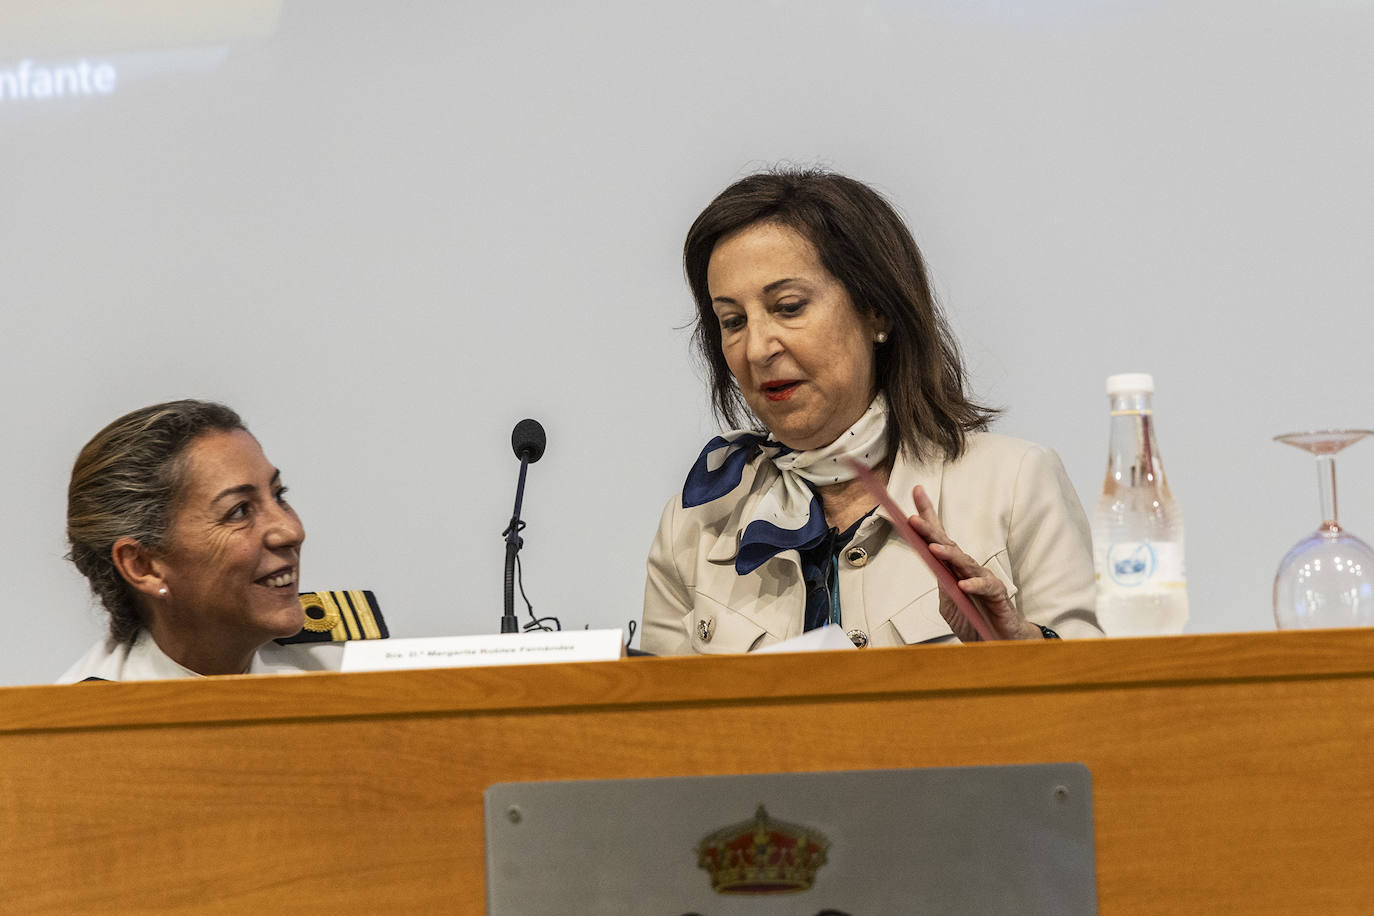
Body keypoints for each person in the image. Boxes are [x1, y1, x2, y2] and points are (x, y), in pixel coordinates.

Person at [642, 169, 1100, 655]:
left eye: (789, 306)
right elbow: (651, 727)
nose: (757, 348)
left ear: (876, 310)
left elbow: (1105, 707)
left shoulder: (1014, 483)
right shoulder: (694, 525)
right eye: (732, 321)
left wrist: (1022, 645)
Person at [59, 399, 335, 681]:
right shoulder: (91, 720)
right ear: (144, 566)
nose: (290, 531)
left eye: (279, 495)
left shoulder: (349, 660)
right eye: (239, 511)